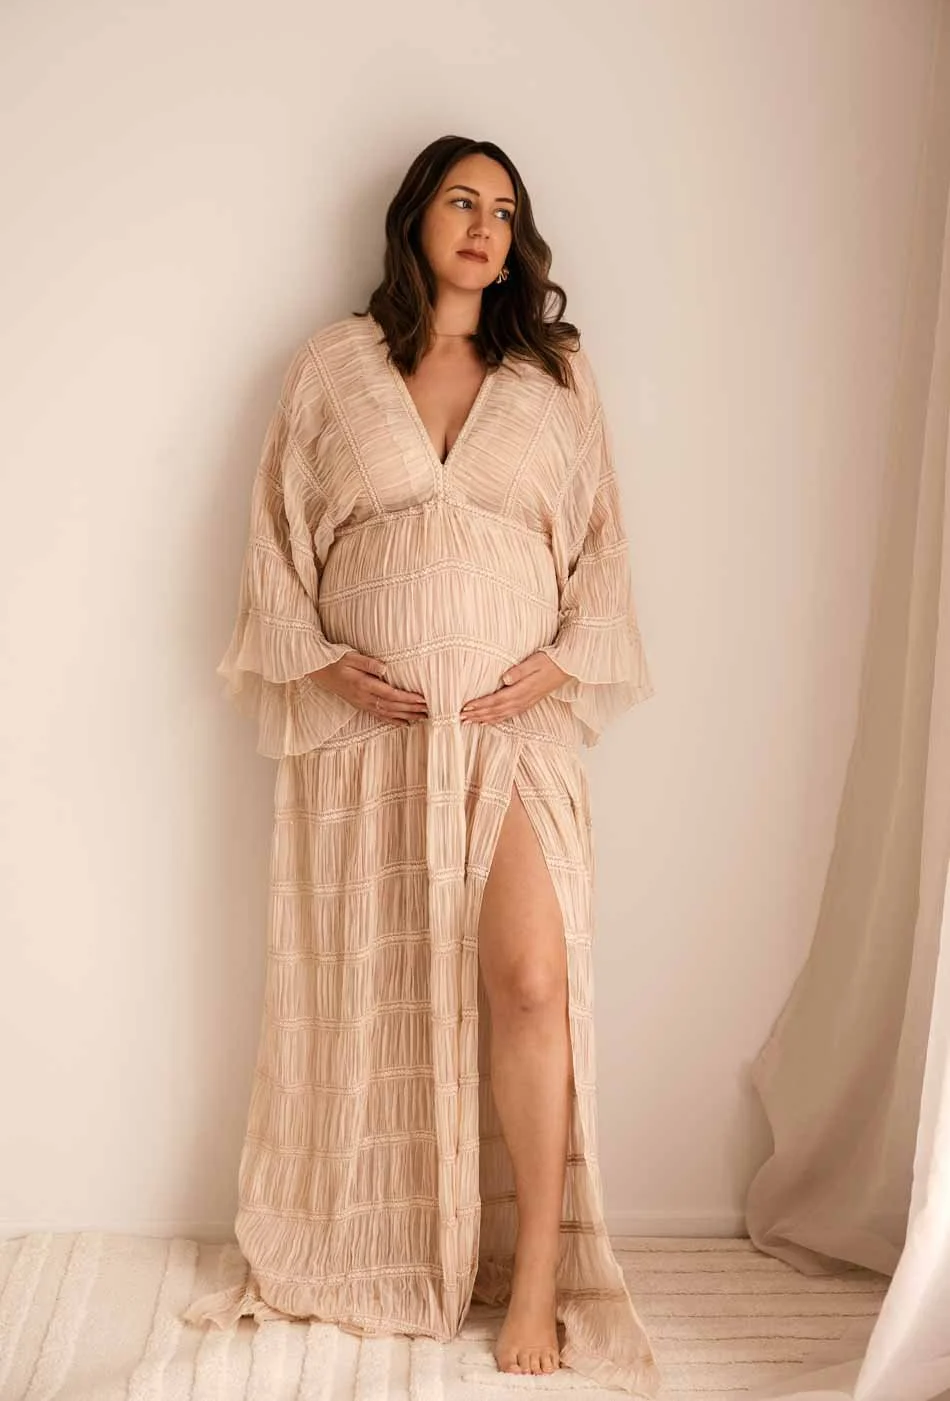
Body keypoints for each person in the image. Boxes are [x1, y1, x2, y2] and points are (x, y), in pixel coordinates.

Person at [182, 134, 660, 1397]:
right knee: (386, 985)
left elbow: (602, 548)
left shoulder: (552, 375)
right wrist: (323, 662)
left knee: (529, 981)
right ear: (414, 220)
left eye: (503, 208)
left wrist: (555, 664)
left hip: (510, 732)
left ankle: (538, 1274)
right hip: (370, 743)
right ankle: (390, 1239)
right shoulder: (333, 367)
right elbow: (273, 541)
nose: (483, 225)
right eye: (460, 200)